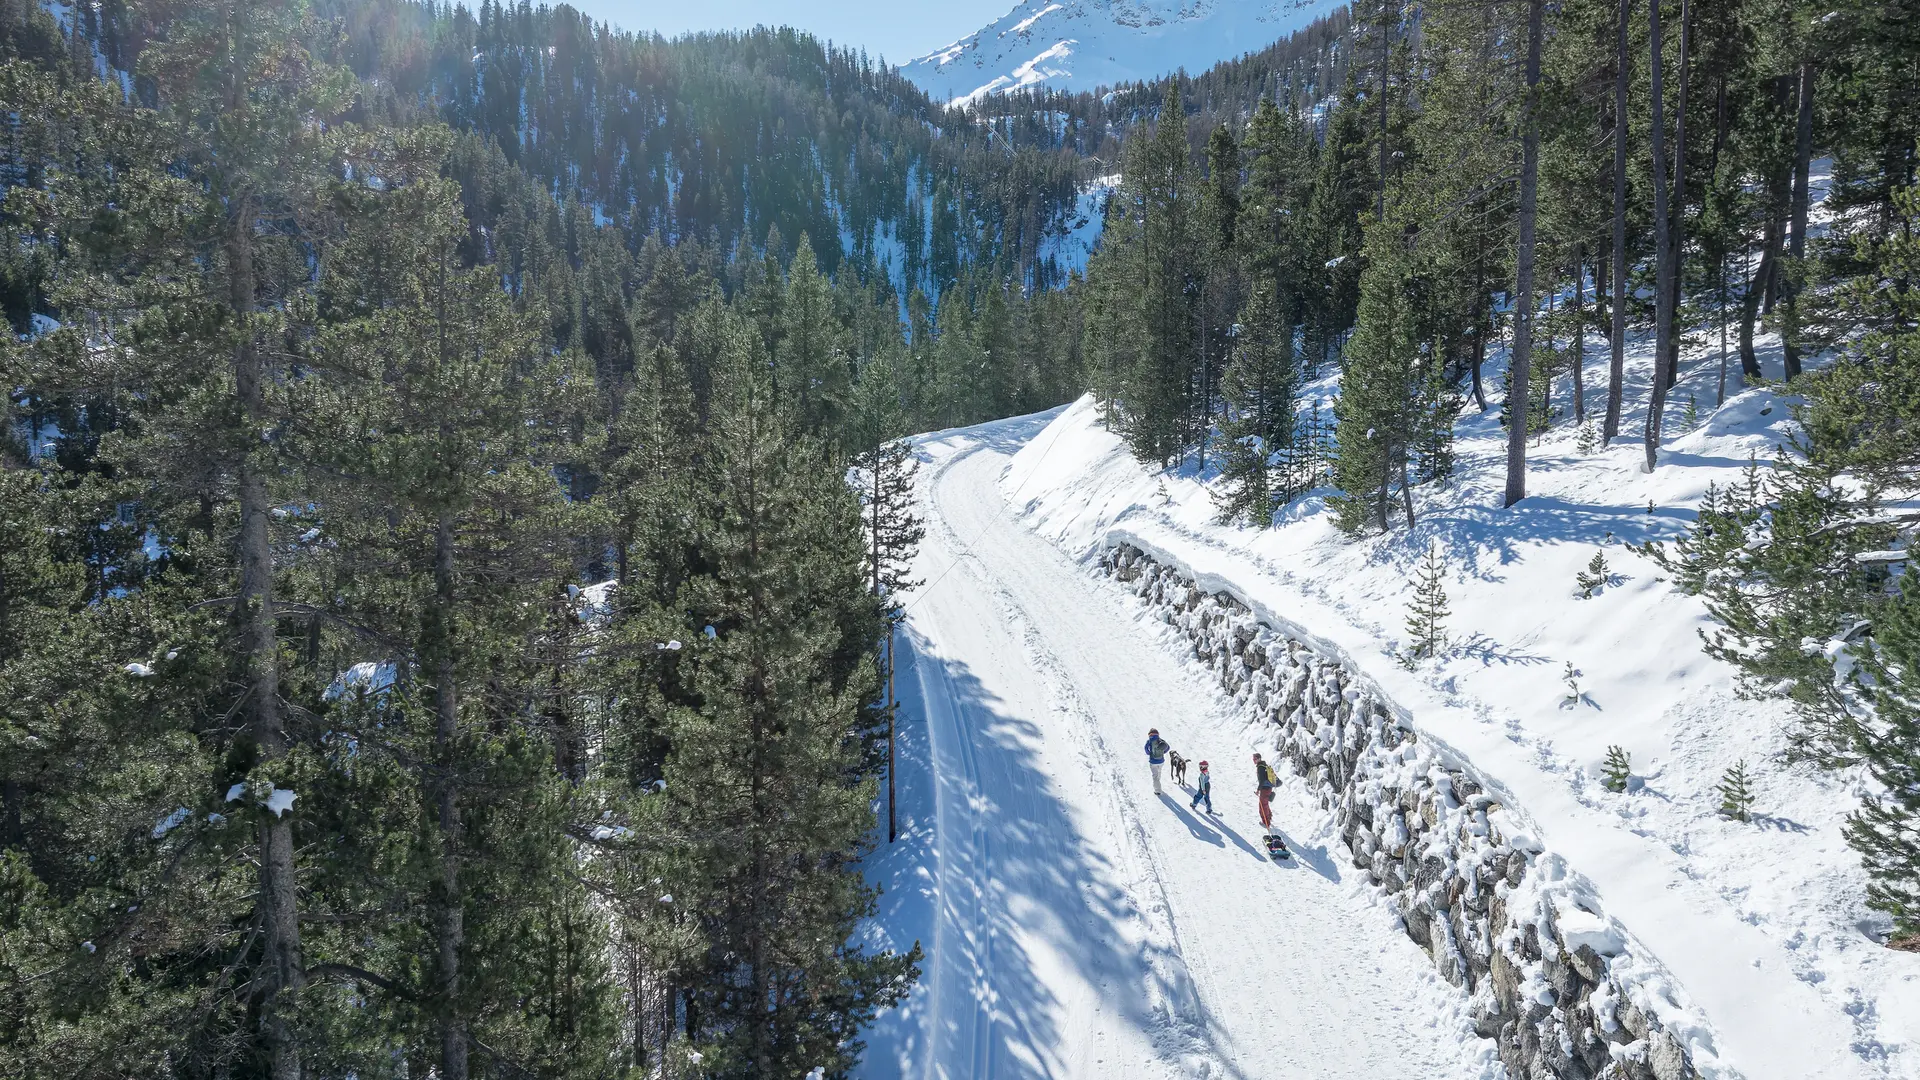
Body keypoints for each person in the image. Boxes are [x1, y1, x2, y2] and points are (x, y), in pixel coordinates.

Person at [1254, 752, 1278, 831]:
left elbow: (1262, 780)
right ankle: (1269, 816)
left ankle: (1266, 822)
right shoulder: (1265, 765)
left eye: (1255, 759)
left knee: (1262, 806)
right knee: (1265, 803)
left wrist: (1258, 790)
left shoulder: (1260, 767)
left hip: (1264, 789)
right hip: (1269, 788)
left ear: (1259, 759)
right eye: (1253, 759)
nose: (1254, 761)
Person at [1144, 728, 1169, 794]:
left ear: (1149, 734)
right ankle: (1158, 783)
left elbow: (1146, 749)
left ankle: (1157, 790)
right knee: (1159, 772)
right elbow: (1168, 747)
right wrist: (1163, 752)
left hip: (1153, 761)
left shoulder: (1149, 741)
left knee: (1155, 776)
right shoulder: (1161, 740)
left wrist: (1150, 753)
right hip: (1161, 761)